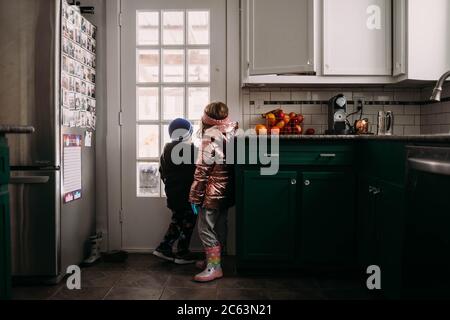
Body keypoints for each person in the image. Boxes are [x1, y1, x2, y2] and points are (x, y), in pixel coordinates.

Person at [190, 102, 238, 282]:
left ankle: (214, 267)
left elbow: (202, 171)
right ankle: (214, 260)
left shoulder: (209, 136)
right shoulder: (233, 131)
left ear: (206, 120)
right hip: (227, 190)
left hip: (212, 191)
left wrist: (194, 196)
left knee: (205, 227)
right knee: (220, 225)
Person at [153, 118, 198, 264]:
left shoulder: (166, 150)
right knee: (189, 220)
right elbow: (198, 171)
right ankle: (181, 252)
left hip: (173, 193)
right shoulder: (192, 150)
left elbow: (162, 172)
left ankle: (165, 248)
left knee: (178, 220)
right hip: (188, 194)